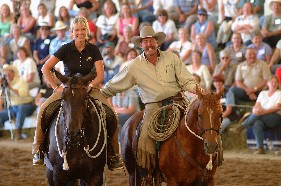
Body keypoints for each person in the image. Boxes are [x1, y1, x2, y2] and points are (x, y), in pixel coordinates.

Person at [32, 16, 123, 171]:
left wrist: (91, 86)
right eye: (77, 30)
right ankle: (38, 150)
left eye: (83, 30)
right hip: (67, 89)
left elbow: (100, 75)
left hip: (88, 88)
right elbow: (45, 68)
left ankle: (114, 154)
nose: (80, 33)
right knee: (43, 110)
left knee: (111, 114)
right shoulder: (65, 48)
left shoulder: (93, 49)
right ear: (72, 32)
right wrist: (56, 87)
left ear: (87, 31)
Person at [100, 26, 198, 171]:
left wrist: (200, 91)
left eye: (151, 40)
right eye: (145, 42)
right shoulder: (134, 65)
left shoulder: (172, 58)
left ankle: (207, 162)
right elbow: (115, 84)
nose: (149, 44)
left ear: (157, 42)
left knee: (201, 125)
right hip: (154, 105)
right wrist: (99, 94)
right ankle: (148, 172)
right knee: (145, 138)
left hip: (178, 100)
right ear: (141, 45)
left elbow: (187, 80)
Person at [232, 75, 281, 154]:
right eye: (272, 82)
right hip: (261, 116)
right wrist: (255, 110)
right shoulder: (262, 93)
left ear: (278, 84)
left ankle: (242, 126)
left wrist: (262, 112)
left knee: (258, 116)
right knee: (257, 123)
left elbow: (277, 108)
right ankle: (260, 148)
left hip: (276, 117)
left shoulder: (279, 93)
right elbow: (256, 105)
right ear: (268, 83)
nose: (273, 84)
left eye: (276, 82)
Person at [0, 64, 36, 140]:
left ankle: (18, 132)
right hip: (13, 108)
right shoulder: (5, 84)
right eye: (5, 75)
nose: (7, 76)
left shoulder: (21, 81)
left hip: (27, 105)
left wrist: (11, 88)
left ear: (13, 73)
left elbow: (22, 94)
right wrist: (2, 86)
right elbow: (1, 95)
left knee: (21, 108)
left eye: (8, 74)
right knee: (1, 114)